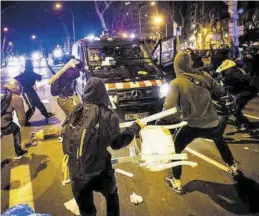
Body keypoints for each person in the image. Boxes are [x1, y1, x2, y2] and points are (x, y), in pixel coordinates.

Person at [63, 77, 144, 216]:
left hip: (77, 171)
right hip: (100, 170)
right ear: (103, 93)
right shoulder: (108, 114)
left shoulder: (75, 111)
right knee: (112, 196)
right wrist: (135, 128)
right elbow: (117, 143)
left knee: (86, 210)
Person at [163, 51, 240, 194]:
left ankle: (177, 181)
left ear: (177, 65)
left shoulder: (176, 83)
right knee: (219, 140)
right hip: (212, 122)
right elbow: (221, 91)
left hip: (191, 125)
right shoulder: (205, 76)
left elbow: (168, 109)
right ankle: (233, 167)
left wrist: (164, 121)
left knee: (175, 149)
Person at [216, 59, 257, 130]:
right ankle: (242, 123)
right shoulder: (230, 71)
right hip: (243, 92)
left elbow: (245, 78)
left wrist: (255, 82)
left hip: (246, 92)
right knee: (234, 109)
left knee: (234, 109)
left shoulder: (232, 72)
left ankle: (245, 124)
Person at [15, 59, 54, 126]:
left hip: (30, 91)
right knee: (32, 107)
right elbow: (39, 77)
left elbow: (15, 79)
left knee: (38, 103)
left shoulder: (24, 74)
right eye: (31, 66)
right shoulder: (31, 74)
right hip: (26, 92)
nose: (32, 67)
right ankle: (25, 122)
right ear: (31, 66)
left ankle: (46, 114)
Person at [1, 80, 27, 159]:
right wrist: (22, 124)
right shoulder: (16, 98)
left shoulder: (3, 95)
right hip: (3, 125)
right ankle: (18, 152)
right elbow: (22, 117)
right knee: (16, 129)